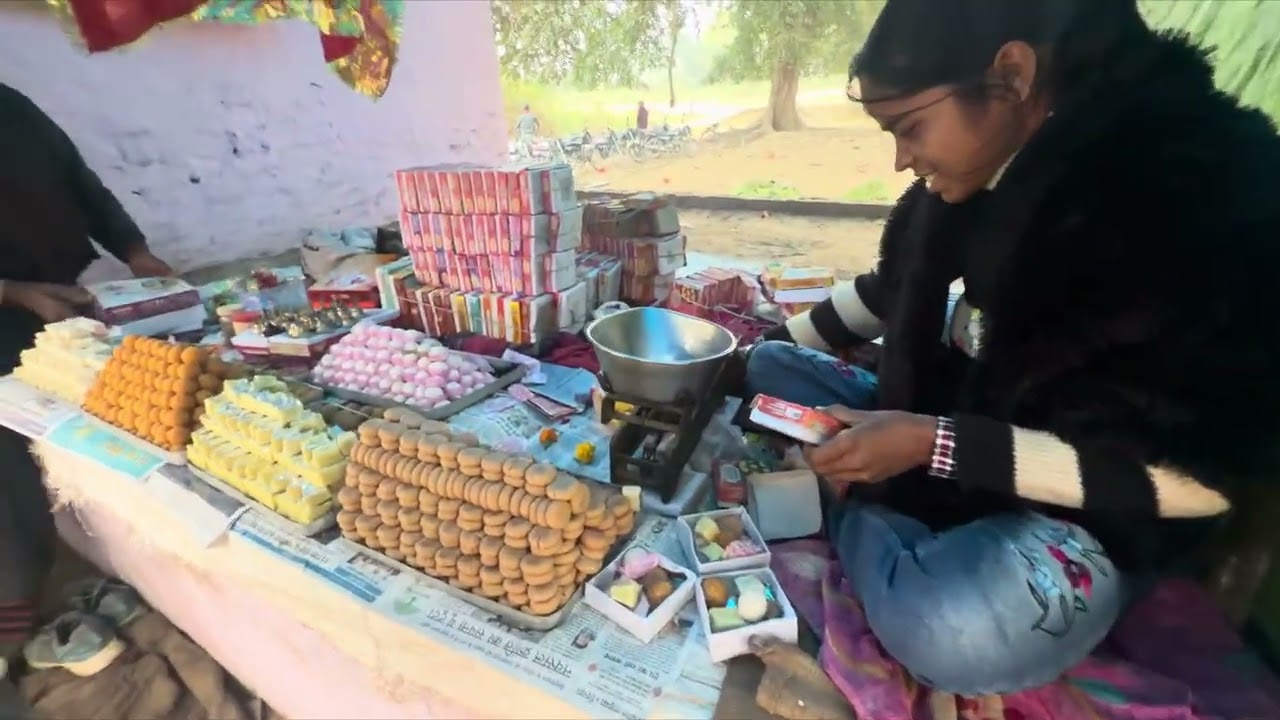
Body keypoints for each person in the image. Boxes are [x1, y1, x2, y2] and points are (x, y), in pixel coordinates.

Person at [744, 0, 1280, 696]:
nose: (902, 159)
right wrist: (746, 348)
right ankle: (872, 494)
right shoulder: (985, 167)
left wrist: (927, 446)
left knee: (955, 629)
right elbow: (888, 292)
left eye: (909, 128)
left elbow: (1204, 481)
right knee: (767, 369)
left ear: (1012, 74)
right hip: (954, 429)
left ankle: (850, 507)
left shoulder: (1192, 192)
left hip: (1090, 509)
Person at [0, 82, 172, 674]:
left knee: (105, 422)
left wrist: (135, 249)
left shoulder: (11, 104)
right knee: (12, 467)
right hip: (8, 312)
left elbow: (79, 180)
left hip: (62, 297)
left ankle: (119, 559)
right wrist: (15, 293)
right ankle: (16, 618)